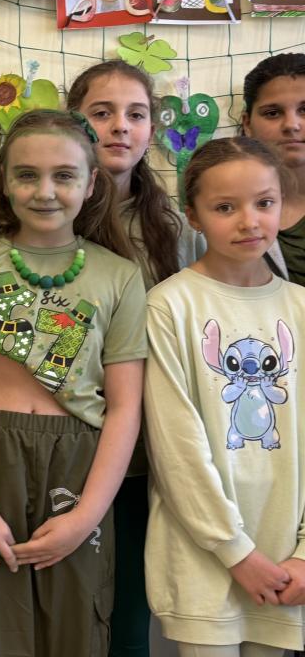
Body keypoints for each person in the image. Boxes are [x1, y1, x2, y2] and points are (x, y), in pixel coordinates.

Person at [0, 109, 146, 656]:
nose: (44, 191)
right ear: (4, 181)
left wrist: (86, 516)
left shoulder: (120, 275)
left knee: (76, 626)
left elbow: (125, 407)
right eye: (27, 175)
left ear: (91, 183)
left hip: (79, 463)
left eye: (64, 175)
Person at [143, 137, 305, 656]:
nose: (249, 221)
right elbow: (175, 449)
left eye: (264, 202)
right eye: (225, 208)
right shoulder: (169, 306)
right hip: (203, 561)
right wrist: (235, 551)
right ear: (193, 215)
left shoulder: (301, 307)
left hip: (286, 561)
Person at [68, 59, 204, 656]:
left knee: (129, 607)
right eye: (102, 113)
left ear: (151, 129)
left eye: (136, 114)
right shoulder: (48, 217)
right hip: (63, 442)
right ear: (75, 123)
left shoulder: (178, 228)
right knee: (64, 604)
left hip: (150, 450)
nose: (120, 126)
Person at [239, 53, 305, 283]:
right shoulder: (220, 206)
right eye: (273, 113)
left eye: (304, 110)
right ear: (247, 123)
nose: (292, 125)